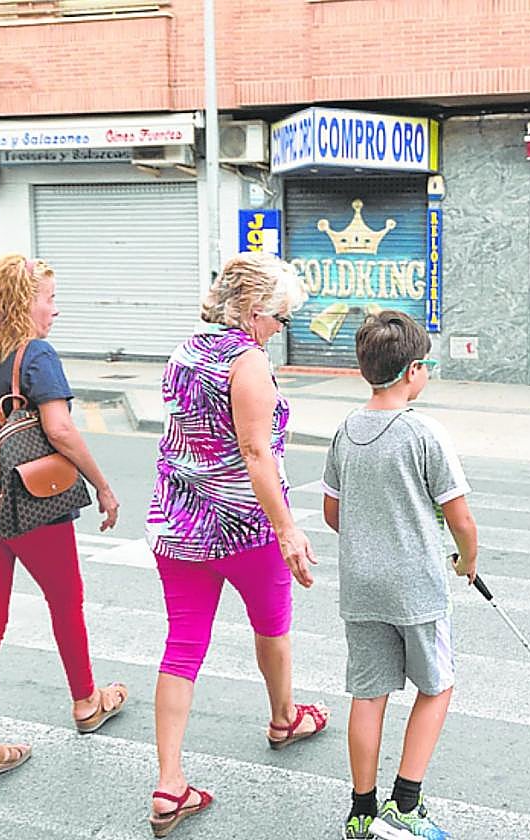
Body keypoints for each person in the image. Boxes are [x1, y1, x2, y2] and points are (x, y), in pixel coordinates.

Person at [145, 251, 329, 837]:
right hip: (244, 528)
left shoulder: (185, 350)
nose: (281, 328)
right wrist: (288, 528)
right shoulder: (247, 363)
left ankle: (169, 784)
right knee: (272, 625)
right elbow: (255, 454)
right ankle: (283, 718)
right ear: (251, 312)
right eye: (278, 316)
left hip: (178, 521)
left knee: (182, 646)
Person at [0, 254, 125, 789]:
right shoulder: (36, 354)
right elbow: (62, 431)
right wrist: (103, 485)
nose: (55, 308)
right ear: (25, 302)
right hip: (28, 503)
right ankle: (86, 702)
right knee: (65, 604)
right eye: (49, 297)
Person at [322, 310, 479, 840]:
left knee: (369, 694)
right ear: (413, 370)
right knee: (437, 687)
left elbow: (332, 513)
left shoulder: (345, 431)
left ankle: (361, 811)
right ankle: (405, 806)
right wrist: (468, 561)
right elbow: (459, 518)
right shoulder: (425, 433)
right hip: (417, 587)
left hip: (361, 587)